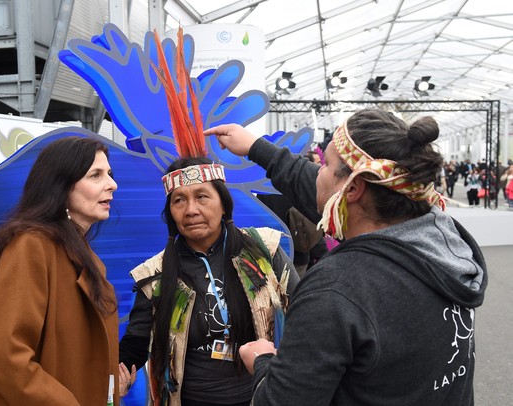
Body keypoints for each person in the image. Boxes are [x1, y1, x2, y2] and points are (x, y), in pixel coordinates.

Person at [205, 108, 487, 406]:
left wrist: (262, 363)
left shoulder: (337, 291)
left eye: (325, 164)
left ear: (353, 189)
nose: (317, 172)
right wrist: (255, 147)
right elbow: (317, 185)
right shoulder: (445, 244)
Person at [117, 28, 298, 406]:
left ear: (223, 204)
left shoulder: (264, 250)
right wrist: (117, 371)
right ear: (170, 212)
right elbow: (133, 346)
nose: (191, 210)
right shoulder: (155, 277)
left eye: (202, 196)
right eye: (179, 201)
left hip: (263, 397)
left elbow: (303, 313)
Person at [0, 135, 135, 405]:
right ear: (61, 187)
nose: (112, 184)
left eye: (109, 173)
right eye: (95, 175)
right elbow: (6, 356)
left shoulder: (85, 257)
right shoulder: (31, 246)